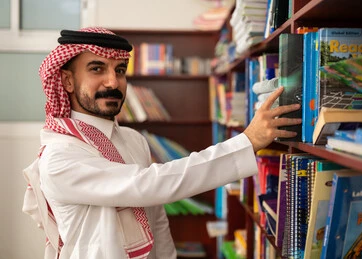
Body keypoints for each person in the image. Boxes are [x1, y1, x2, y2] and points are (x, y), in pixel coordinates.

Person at [22, 27, 301, 259]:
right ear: (67, 81)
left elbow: (156, 220)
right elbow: (148, 185)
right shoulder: (60, 156)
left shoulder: (132, 140)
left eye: (120, 70)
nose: (112, 82)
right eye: (97, 69)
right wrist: (247, 142)